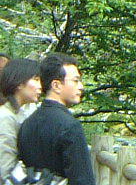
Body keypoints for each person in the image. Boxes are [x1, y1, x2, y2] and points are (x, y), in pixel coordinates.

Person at [16, 55, 93, 185]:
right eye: (75, 81)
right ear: (56, 85)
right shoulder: (70, 126)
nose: (81, 86)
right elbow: (82, 179)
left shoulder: (28, 123)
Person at [1, 58, 42, 178]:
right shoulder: (5, 117)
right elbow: (5, 167)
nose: (40, 86)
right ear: (19, 83)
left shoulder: (17, 114)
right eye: (36, 80)